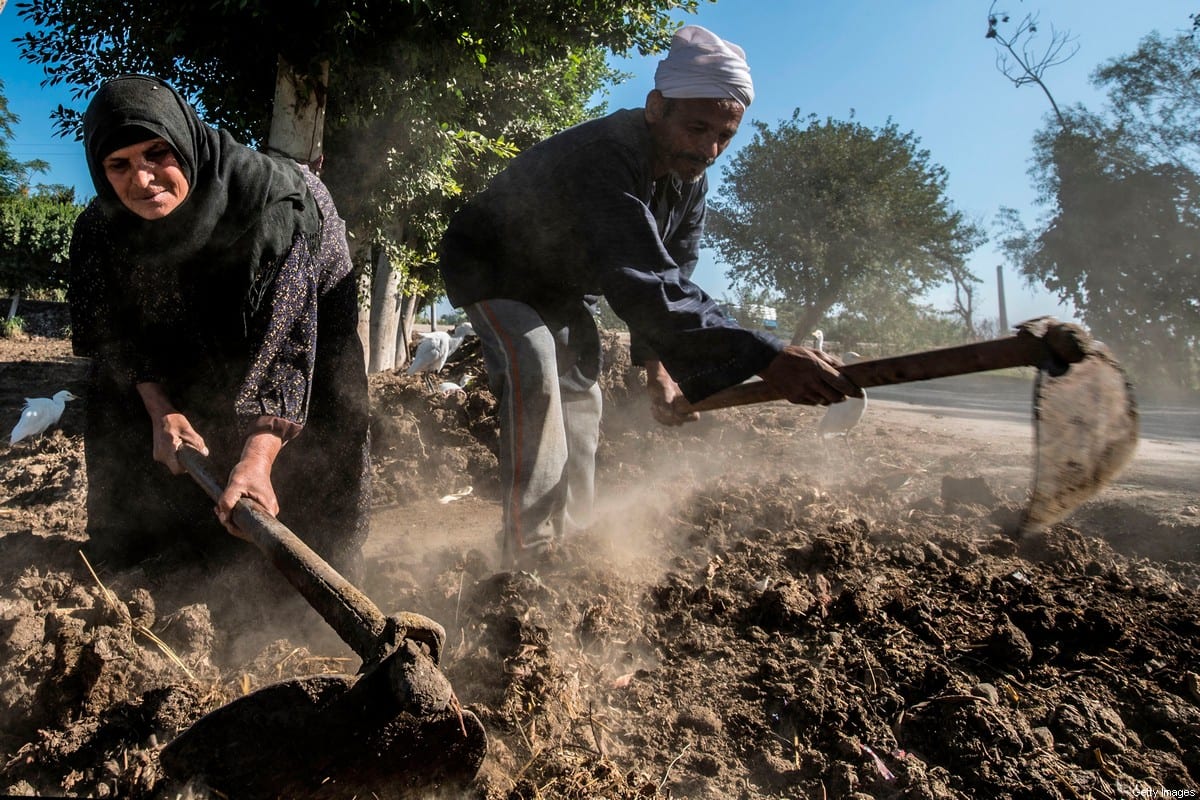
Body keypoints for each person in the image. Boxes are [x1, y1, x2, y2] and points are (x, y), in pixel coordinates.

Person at [438, 26, 857, 567]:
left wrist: (658, 368)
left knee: (582, 398)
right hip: (496, 269)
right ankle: (527, 557)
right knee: (536, 371)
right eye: (698, 127)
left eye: (725, 134)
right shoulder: (606, 157)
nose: (710, 148)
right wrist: (767, 356)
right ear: (657, 107)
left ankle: (573, 542)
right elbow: (638, 275)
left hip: (564, 286)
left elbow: (673, 271)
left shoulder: (690, 180)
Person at [69, 75, 370, 582]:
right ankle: (149, 555)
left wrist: (257, 457)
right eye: (119, 166)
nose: (142, 181)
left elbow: (287, 353)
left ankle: (311, 573)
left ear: (185, 144)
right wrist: (161, 410)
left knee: (325, 414)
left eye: (157, 154)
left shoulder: (273, 205)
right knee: (115, 388)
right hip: (193, 309)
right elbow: (119, 335)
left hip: (303, 312)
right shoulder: (103, 228)